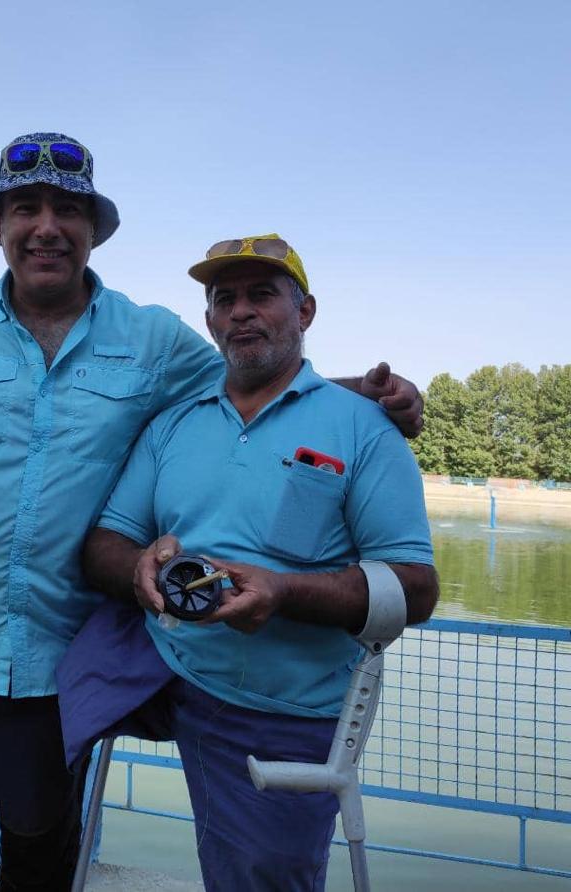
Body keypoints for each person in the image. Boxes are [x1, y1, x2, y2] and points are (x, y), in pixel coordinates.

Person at [0, 134, 426, 892]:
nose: (46, 227)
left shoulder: (152, 338)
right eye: (26, 209)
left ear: (94, 230)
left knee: (39, 850)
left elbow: (254, 374)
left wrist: (371, 396)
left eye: (67, 210)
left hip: (50, 655)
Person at [65, 234, 439, 891]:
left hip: (279, 708)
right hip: (154, 666)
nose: (240, 311)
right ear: (209, 319)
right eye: (224, 299)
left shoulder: (364, 427)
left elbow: (416, 591)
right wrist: (139, 568)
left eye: (261, 295)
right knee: (32, 748)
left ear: (305, 311)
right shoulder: (174, 422)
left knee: (262, 879)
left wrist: (282, 592)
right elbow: (105, 542)